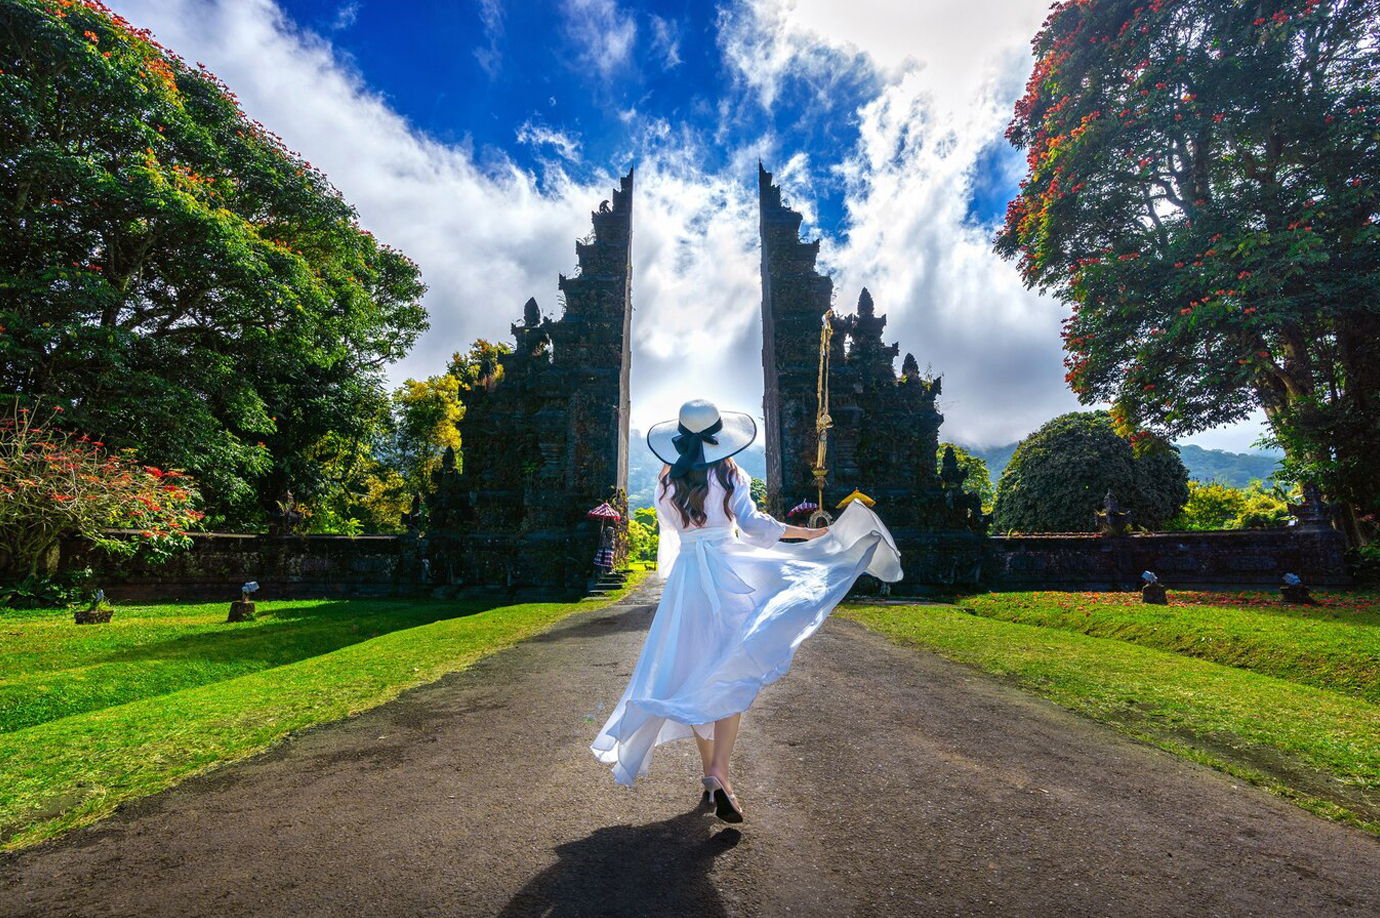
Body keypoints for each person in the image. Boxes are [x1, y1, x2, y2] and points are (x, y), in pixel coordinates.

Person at [590, 399, 902, 823]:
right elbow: (755, 528)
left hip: (687, 583)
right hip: (728, 573)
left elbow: (673, 531)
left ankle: (709, 773)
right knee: (730, 669)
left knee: (691, 670)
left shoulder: (667, 481)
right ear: (719, 435)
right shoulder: (730, 472)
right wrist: (811, 534)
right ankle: (720, 770)